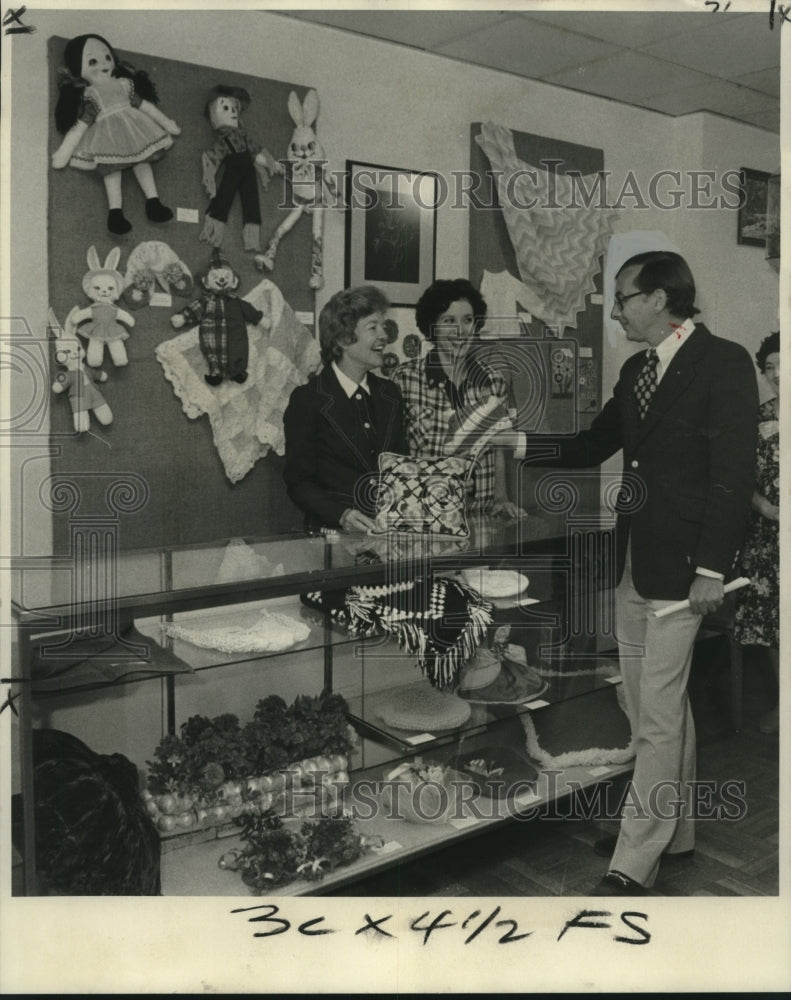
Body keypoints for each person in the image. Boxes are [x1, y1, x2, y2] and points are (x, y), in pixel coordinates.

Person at [526, 251, 758, 895]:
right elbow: (589, 445)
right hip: (634, 566)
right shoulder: (636, 370)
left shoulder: (726, 363)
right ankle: (675, 832)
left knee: (656, 714)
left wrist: (712, 568)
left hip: (688, 573)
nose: (617, 308)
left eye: (623, 296)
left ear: (659, 298)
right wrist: (514, 443)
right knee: (651, 706)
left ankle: (635, 857)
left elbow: (732, 475)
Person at [391, 278, 523, 518]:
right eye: (448, 321)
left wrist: (501, 498)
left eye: (467, 320)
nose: (460, 330)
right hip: (426, 517)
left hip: (481, 518)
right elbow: (395, 456)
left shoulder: (493, 381)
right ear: (432, 326)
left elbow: (498, 447)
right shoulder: (404, 379)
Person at [283, 285, 407, 533]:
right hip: (331, 541)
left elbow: (401, 467)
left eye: (384, 326)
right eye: (373, 327)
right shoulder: (308, 400)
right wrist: (342, 515)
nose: (384, 335)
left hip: (388, 537)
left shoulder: (390, 393)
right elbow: (299, 483)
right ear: (342, 339)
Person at [733, 332, 780, 735]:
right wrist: (767, 508)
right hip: (768, 538)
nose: (778, 374)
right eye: (770, 367)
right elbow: (737, 476)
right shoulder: (758, 417)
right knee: (775, 624)